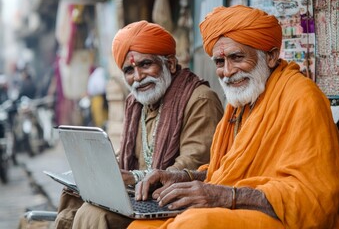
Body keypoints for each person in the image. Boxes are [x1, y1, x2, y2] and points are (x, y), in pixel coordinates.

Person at [121, 5, 339, 228]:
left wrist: (225, 196)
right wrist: (182, 177)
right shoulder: (240, 105)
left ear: (270, 56)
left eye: (237, 58)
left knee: (196, 224)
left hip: (286, 217)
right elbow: (223, 173)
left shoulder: (302, 98)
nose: (228, 72)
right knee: (142, 225)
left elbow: (313, 198)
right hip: (240, 207)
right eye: (220, 62)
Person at [54, 20, 224, 228]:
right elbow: (128, 156)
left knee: (93, 215)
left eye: (145, 65)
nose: (138, 77)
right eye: (129, 70)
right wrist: (103, 170)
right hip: (138, 197)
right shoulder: (136, 103)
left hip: (172, 202)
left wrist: (134, 178)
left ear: (170, 64)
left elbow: (194, 164)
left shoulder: (200, 99)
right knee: (72, 201)